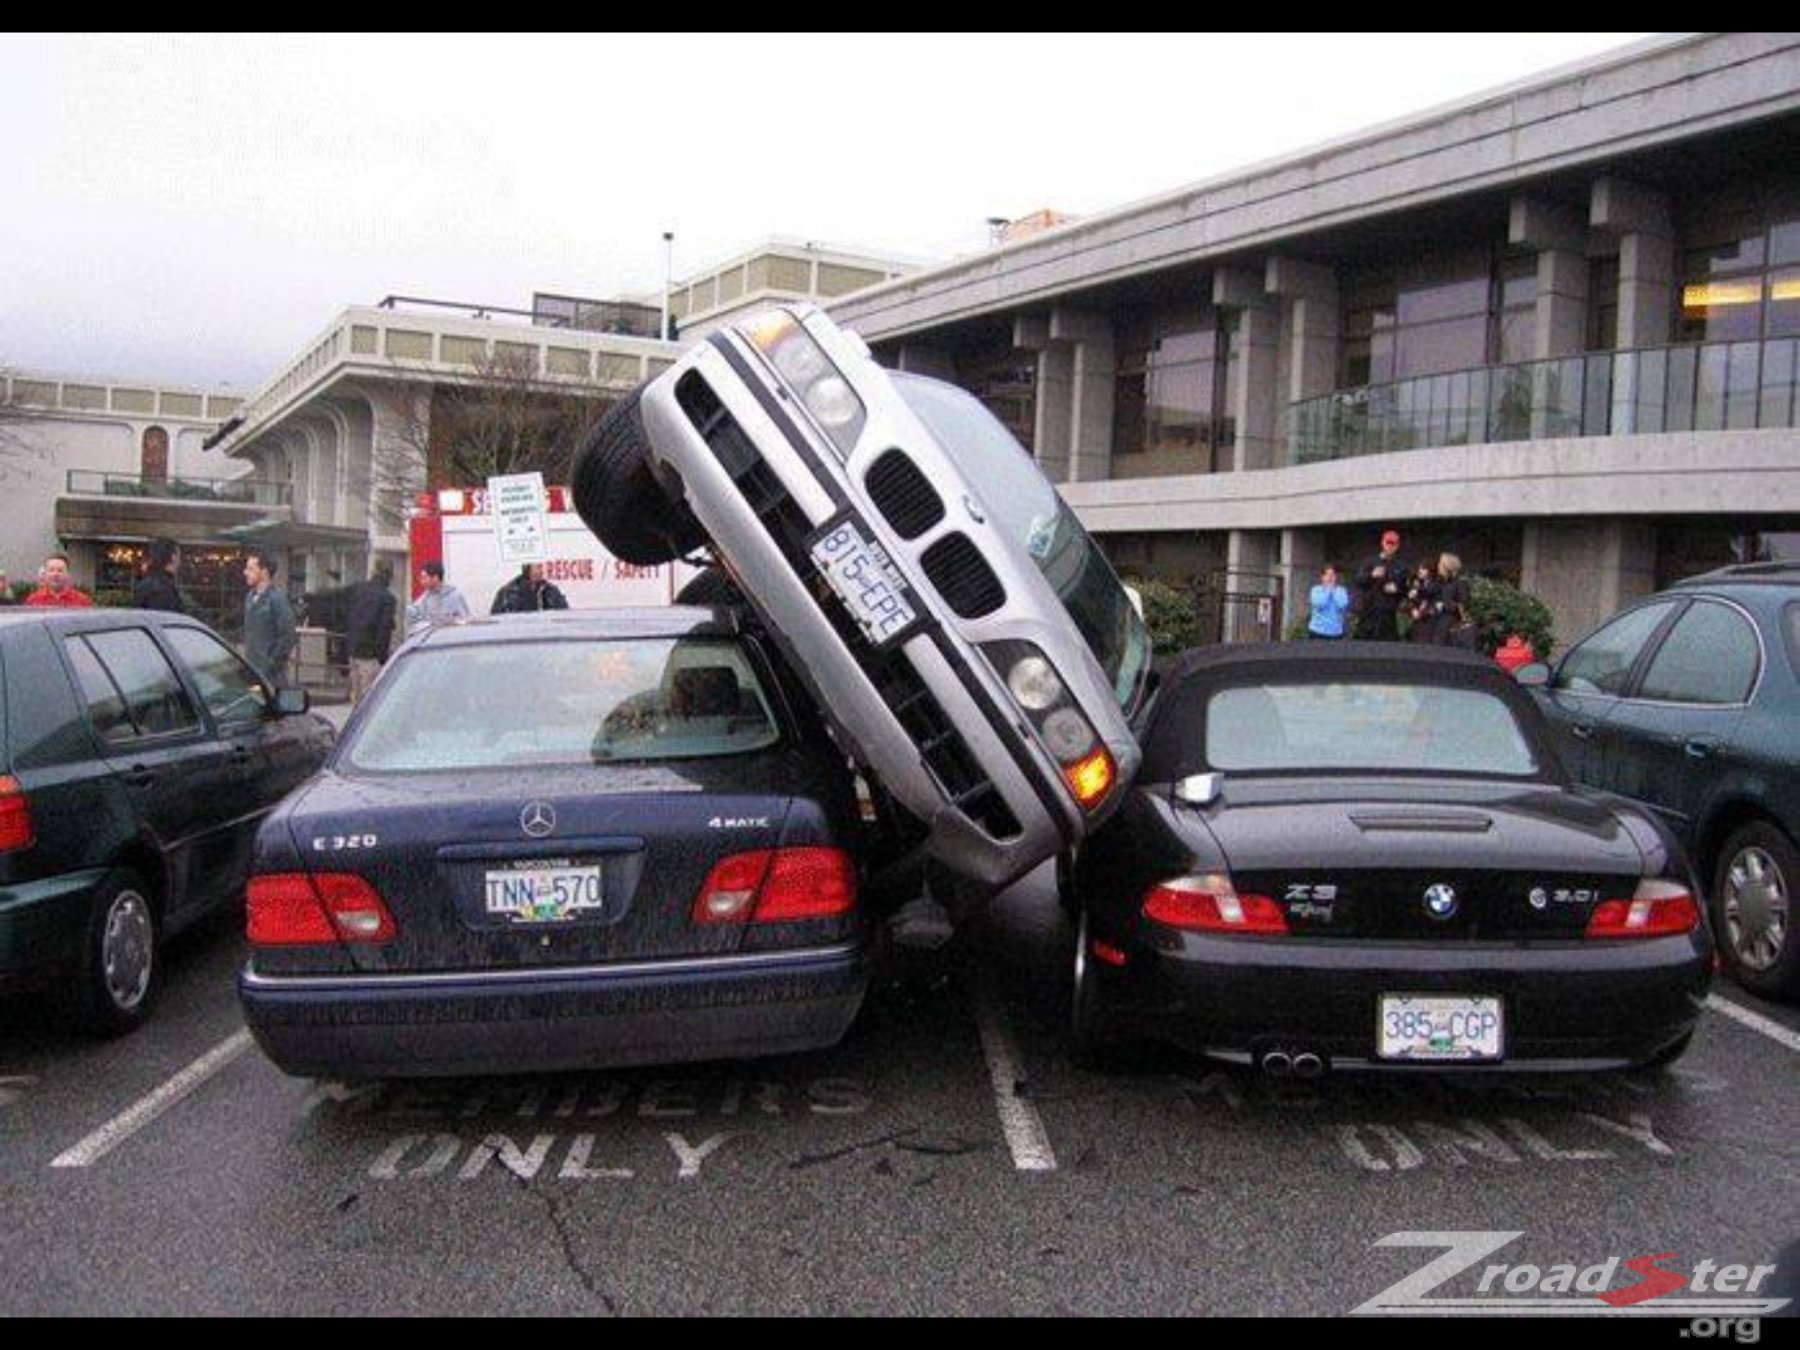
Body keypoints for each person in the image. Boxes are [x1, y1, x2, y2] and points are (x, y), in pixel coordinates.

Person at [346, 562, 399, 705]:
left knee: (356, 697)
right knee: (370, 699)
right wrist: (382, 657)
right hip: (371, 654)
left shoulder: (358, 590)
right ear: (389, 577)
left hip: (353, 648)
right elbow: (384, 630)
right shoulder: (387, 599)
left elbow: (348, 616)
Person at [243, 551, 297, 687]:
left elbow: (288, 636)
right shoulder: (250, 597)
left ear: (264, 572)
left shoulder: (277, 599)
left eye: (250, 569)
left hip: (271, 677)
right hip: (252, 671)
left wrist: (271, 663)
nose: (245, 572)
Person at [1353, 529, 1407, 641]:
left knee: (1388, 648)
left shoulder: (1401, 566)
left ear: (1397, 546)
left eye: (1393, 544)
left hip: (1388, 615)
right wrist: (1371, 575)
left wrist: (1396, 590)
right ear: (1382, 543)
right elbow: (1358, 581)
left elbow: (1405, 590)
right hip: (1369, 613)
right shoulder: (1370, 561)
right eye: (1388, 543)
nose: (1390, 546)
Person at [405, 560, 471, 633]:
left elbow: (465, 621)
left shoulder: (455, 596)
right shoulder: (424, 599)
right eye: (421, 578)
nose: (422, 581)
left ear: (435, 577)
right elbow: (413, 619)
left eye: (424, 577)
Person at [130, 537, 191, 614]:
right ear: (173, 557)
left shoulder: (144, 583)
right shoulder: (163, 588)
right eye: (179, 556)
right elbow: (167, 619)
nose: (180, 561)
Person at [491, 563, 570, 615]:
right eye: (538, 567)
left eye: (542, 567)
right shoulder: (507, 593)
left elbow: (564, 614)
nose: (542, 571)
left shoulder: (551, 590)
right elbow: (497, 619)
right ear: (527, 568)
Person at [24, 553, 95, 608]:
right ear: (45, 574)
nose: (55, 574)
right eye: (51, 570)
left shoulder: (83, 601)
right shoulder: (33, 601)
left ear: (67, 574)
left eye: (60, 570)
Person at [1306, 564, 1351, 640]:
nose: (1330, 577)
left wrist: (1333, 590)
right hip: (1317, 631)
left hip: (1336, 633)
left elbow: (1342, 605)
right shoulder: (1316, 590)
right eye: (1327, 575)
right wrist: (1328, 590)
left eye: (1332, 575)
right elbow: (1319, 604)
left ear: (1336, 577)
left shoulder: (1341, 590)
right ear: (1322, 577)